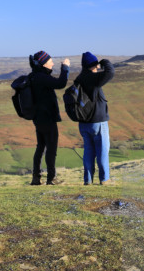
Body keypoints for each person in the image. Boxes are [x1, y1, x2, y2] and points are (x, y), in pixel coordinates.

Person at [27, 50, 70, 185]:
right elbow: (61, 84)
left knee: (40, 147)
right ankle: (51, 178)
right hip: (47, 118)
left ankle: (36, 177)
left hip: (38, 118)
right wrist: (65, 68)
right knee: (51, 149)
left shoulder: (33, 76)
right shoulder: (41, 77)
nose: (52, 63)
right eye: (50, 61)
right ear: (44, 63)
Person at [73, 51, 115, 185]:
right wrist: (104, 62)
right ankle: (104, 179)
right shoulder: (92, 78)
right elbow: (110, 72)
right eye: (96, 66)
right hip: (97, 122)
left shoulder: (79, 79)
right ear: (92, 65)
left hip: (84, 123)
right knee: (102, 150)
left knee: (88, 152)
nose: (97, 68)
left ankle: (88, 180)